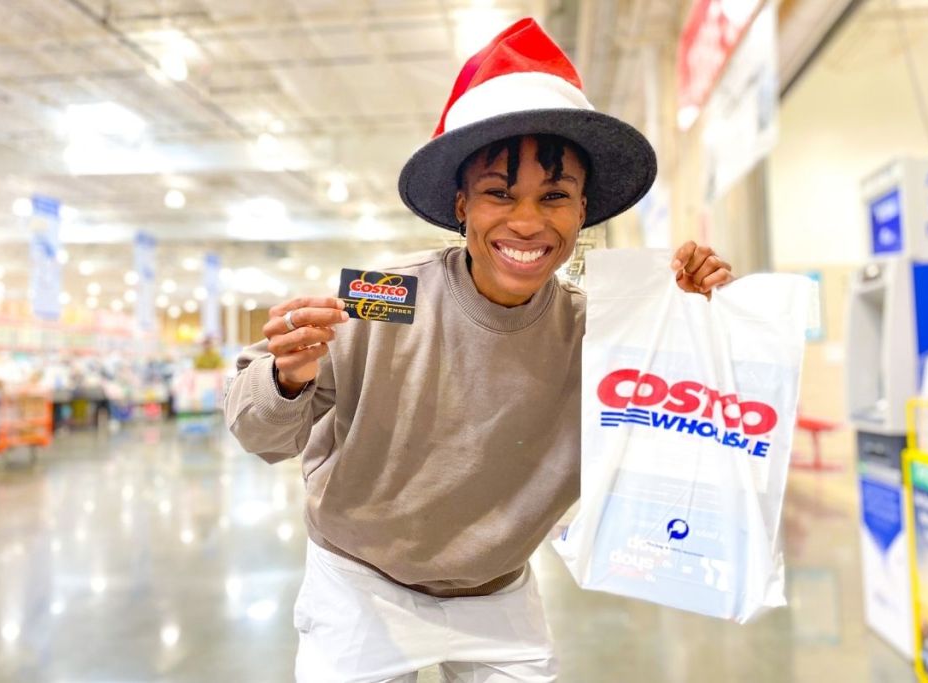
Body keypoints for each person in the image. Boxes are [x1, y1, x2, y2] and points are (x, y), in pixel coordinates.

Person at [225, 18, 733, 683]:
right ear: (461, 204)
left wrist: (700, 322)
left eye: (555, 196)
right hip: (359, 584)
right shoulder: (387, 297)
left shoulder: (599, 331)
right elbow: (259, 432)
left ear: (583, 212)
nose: (528, 221)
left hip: (497, 590)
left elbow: (686, 437)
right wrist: (287, 377)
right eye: (499, 193)